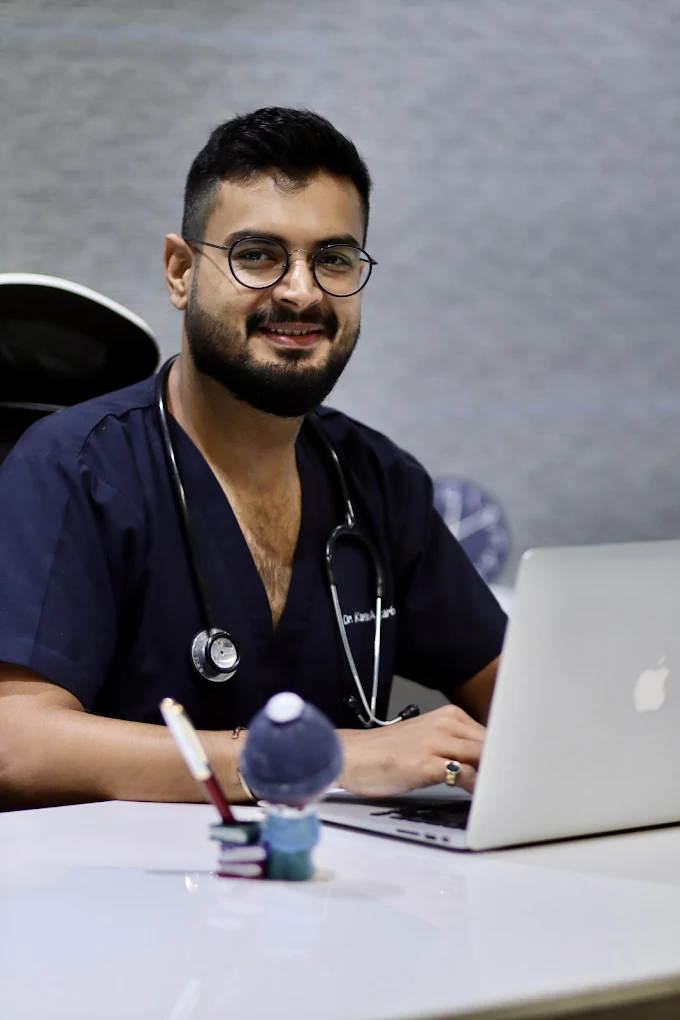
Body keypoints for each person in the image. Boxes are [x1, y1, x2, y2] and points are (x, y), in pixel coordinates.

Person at [0, 107, 506, 810]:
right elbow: (15, 741)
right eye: (259, 255)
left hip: (339, 869)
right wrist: (322, 759)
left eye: (333, 259)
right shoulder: (74, 469)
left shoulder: (377, 479)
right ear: (181, 272)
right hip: (127, 875)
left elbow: (527, 702)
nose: (301, 291)